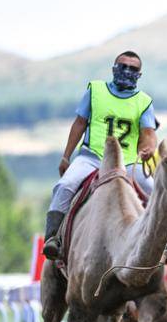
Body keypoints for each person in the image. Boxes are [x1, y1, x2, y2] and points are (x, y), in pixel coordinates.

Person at [42, 50, 159, 260]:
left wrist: (150, 149)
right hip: (91, 157)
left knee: (154, 191)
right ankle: (53, 238)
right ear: (114, 68)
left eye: (133, 69)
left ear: (139, 75)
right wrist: (66, 156)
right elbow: (79, 124)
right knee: (64, 185)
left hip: (128, 162)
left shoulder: (144, 101)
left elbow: (149, 134)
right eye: (122, 66)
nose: (126, 71)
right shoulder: (95, 90)